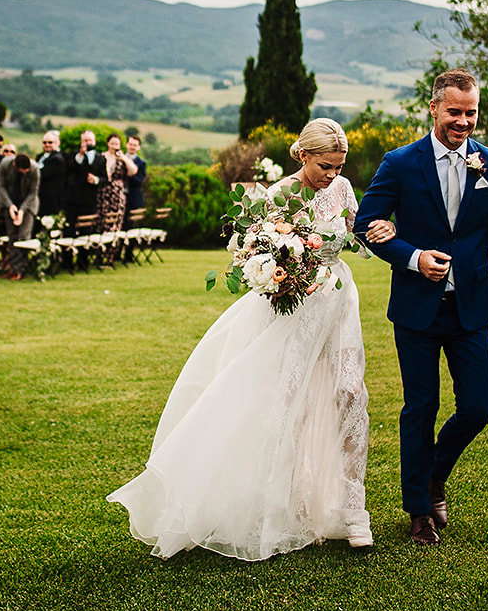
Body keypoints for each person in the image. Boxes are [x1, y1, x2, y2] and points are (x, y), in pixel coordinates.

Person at [108, 119, 397, 558]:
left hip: (338, 302)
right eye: (325, 166)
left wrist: (379, 234)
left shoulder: (342, 190)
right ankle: (286, 509)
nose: (333, 175)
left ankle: (353, 512)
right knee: (287, 403)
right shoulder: (278, 196)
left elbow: (357, 233)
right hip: (294, 307)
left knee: (349, 392)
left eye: (339, 167)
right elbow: (255, 258)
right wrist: (280, 273)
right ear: (302, 155)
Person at [355, 68, 488, 548]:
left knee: (478, 408)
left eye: (471, 114)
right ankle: (418, 512)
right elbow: (366, 222)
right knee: (420, 408)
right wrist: (411, 256)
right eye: (455, 113)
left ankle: (433, 476)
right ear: (433, 109)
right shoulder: (401, 163)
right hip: (416, 310)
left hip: (470, 309)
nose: (464, 123)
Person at [0, 153, 40, 281]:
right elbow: (1, 186)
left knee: (23, 237)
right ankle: (13, 269)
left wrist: (22, 210)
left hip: (28, 205)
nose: (24, 174)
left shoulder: (34, 169)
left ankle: (21, 270)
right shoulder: (5, 165)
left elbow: (33, 192)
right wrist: (10, 206)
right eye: (22, 171)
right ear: (15, 166)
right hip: (9, 200)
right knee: (12, 237)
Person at [97, 133, 136, 223]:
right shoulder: (102, 156)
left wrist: (123, 158)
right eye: (112, 143)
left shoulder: (122, 158)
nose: (114, 146)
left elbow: (133, 171)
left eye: (116, 144)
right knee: (103, 218)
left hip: (117, 192)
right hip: (104, 191)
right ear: (108, 143)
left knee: (116, 218)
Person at [68, 130, 105, 223]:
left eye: (90, 140)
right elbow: (69, 170)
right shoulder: (73, 155)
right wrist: (81, 155)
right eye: (85, 140)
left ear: (94, 142)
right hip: (74, 199)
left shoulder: (101, 158)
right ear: (81, 142)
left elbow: (105, 179)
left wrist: (96, 180)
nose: (88, 143)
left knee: (87, 230)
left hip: (90, 200)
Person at [36, 130, 67, 219]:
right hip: (40, 197)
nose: (47, 144)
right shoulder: (40, 156)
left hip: (52, 198)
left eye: (50, 142)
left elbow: (43, 174)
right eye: (44, 142)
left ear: (56, 143)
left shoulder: (57, 159)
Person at [125, 135, 148, 212]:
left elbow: (139, 181)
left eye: (135, 145)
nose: (132, 147)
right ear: (126, 145)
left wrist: (130, 174)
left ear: (139, 147)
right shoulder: (120, 159)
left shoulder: (142, 163)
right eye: (130, 144)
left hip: (133, 199)